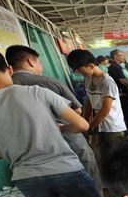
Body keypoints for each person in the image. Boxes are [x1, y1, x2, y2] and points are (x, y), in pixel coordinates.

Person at [0, 51, 105, 197]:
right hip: (64, 167)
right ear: (9, 69)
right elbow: (82, 125)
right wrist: (61, 128)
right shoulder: (37, 91)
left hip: (26, 178)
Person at [6, 45, 102, 188]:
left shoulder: (4, 88)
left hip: (28, 150)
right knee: (87, 168)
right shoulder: (47, 83)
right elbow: (77, 111)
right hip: (66, 137)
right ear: (31, 62)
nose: (41, 66)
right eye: (39, 62)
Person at [67, 49, 127, 163]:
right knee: (105, 156)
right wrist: (85, 120)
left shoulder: (107, 82)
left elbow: (106, 109)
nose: (79, 73)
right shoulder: (88, 79)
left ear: (90, 65)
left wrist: (92, 124)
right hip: (99, 124)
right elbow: (89, 100)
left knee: (118, 157)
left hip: (113, 127)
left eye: (80, 70)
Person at [108, 49, 128, 132]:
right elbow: (122, 81)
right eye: (121, 55)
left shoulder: (117, 66)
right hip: (123, 95)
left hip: (122, 94)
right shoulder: (115, 67)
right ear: (115, 57)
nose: (123, 57)